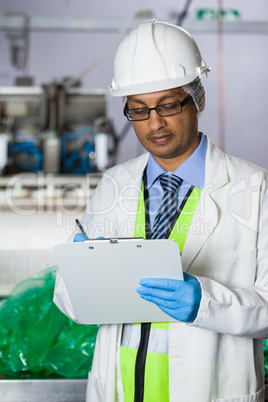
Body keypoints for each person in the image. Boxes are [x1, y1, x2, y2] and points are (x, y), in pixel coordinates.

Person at [54, 19, 268, 402]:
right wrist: (78, 273)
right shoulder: (114, 185)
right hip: (119, 390)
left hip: (209, 389)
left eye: (168, 105)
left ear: (198, 98)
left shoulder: (255, 189)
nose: (155, 123)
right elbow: (70, 300)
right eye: (138, 110)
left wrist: (203, 301)